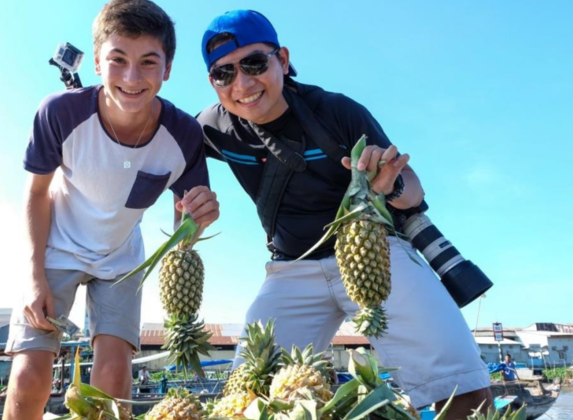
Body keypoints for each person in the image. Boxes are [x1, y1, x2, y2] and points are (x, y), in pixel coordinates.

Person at [196, 10, 492, 419]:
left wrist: (391, 183)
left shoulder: (336, 111)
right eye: (223, 74)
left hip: (375, 252)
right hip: (290, 269)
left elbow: (413, 188)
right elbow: (159, 137)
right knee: (249, 396)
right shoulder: (212, 126)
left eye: (254, 64)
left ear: (282, 60)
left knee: (458, 382)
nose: (242, 84)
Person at [2, 1, 220, 419]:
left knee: (114, 379)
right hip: (56, 248)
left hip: (122, 259)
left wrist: (198, 217)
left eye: (148, 62)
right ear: (98, 64)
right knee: (30, 373)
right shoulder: (59, 113)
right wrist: (33, 276)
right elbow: (35, 195)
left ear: (168, 69)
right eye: (117, 60)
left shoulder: (184, 134)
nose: (132, 78)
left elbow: (184, 231)